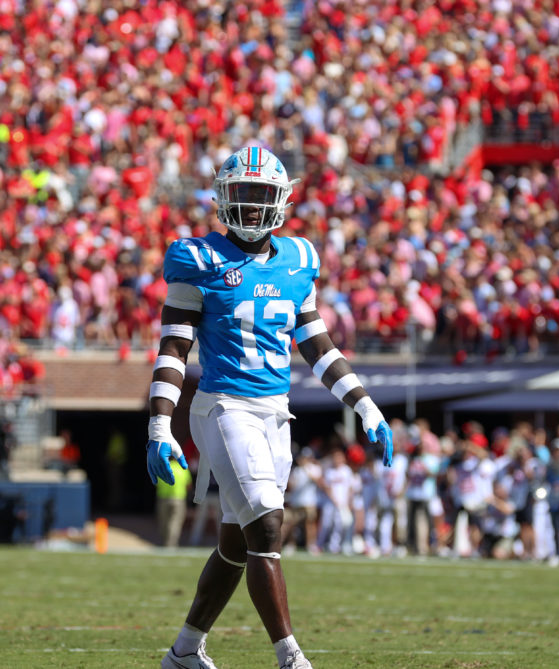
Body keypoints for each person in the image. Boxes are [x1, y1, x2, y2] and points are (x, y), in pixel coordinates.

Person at [145, 147, 393, 669]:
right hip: (223, 406)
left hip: (276, 411)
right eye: (243, 194)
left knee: (237, 543)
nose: (253, 207)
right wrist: (159, 426)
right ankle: (291, 656)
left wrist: (365, 404)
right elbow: (174, 348)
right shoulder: (197, 258)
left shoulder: (300, 259)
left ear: (281, 200)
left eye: (262, 196)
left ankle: (184, 651)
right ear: (222, 197)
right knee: (267, 524)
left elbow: (318, 345)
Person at [156, 458, 192, 547]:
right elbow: (188, 485)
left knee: (164, 522)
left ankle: (165, 542)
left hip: (163, 498)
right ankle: (171, 544)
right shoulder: (183, 468)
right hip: (178, 499)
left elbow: (156, 482)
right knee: (175, 523)